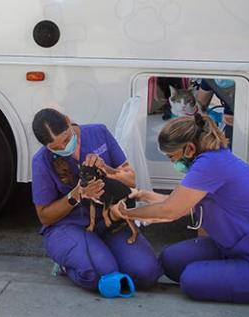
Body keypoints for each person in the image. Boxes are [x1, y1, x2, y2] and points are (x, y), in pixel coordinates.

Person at [110, 112, 249, 304]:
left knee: (191, 280)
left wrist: (124, 213)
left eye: (172, 157)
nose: (172, 162)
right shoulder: (214, 159)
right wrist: (143, 195)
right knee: (170, 260)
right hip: (233, 246)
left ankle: (247, 280)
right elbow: (182, 203)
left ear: (189, 148)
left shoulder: (210, 165)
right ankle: (227, 272)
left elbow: (171, 210)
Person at [30, 108, 163, 295]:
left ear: (69, 121)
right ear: (47, 147)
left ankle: (103, 252)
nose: (66, 148)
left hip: (110, 220)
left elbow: (131, 179)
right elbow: (44, 217)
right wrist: (76, 194)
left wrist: (107, 170)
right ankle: (66, 265)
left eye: (67, 139)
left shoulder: (98, 132)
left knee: (147, 273)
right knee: (99, 276)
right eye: (57, 147)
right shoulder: (41, 161)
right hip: (71, 225)